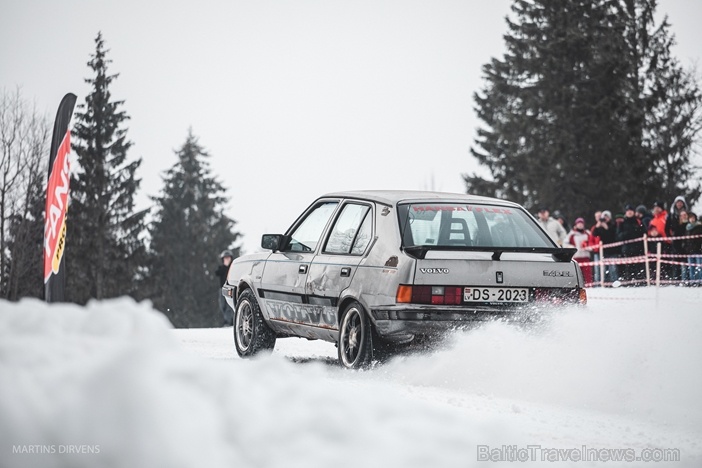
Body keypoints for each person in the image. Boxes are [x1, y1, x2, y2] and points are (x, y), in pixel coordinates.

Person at [616, 205, 646, 284]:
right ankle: (629, 282)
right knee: (628, 267)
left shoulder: (638, 221)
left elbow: (644, 232)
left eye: (631, 210)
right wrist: (626, 234)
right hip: (627, 250)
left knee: (638, 267)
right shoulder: (622, 223)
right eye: (628, 211)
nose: (629, 212)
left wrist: (636, 232)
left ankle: (639, 282)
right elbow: (618, 236)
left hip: (638, 249)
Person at [592, 210, 619, 283]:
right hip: (604, 251)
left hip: (612, 250)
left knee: (613, 268)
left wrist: (606, 227)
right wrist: (598, 225)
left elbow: (613, 235)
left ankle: (615, 282)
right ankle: (606, 283)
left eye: (607, 217)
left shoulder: (613, 225)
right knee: (604, 269)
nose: (605, 218)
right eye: (604, 217)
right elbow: (594, 234)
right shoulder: (601, 226)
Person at [565, 217, 593, 285]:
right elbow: (565, 243)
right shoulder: (572, 234)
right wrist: (572, 248)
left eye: (581, 223)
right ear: (576, 224)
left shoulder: (588, 233)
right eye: (579, 223)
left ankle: (589, 286)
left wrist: (588, 247)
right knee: (577, 275)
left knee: (588, 274)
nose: (580, 225)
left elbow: (592, 243)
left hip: (586, 257)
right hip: (576, 257)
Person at [216, 250, 235, 326]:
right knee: (222, 305)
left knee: (228, 306)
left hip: (230, 288)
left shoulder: (233, 268)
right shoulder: (221, 268)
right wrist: (225, 266)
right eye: (225, 258)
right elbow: (217, 273)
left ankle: (229, 321)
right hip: (221, 289)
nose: (227, 259)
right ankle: (228, 320)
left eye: (228, 258)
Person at [685, 212, 702, 284]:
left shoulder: (699, 226)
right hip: (689, 250)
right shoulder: (687, 228)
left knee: (699, 267)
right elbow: (686, 239)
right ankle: (692, 281)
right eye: (690, 218)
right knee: (691, 267)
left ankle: (699, 281)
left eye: (693, 218)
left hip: (698, 250)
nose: (692, 219)